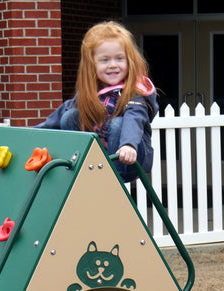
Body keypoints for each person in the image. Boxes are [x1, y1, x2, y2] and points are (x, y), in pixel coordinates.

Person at [37, 21, 158, 182]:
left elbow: (134, 119)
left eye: (119, 58)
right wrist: (29, 135)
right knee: (70, 116)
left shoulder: (136, 91)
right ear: (92, 64)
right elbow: (56, 118)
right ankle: (77, 168)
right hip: (99, 159)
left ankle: (113, 182)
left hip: (130, 158)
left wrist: (128, 145)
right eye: (105, 60)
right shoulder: (91, 93)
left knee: (117, 124)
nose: (113, 65)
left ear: (129, 60)